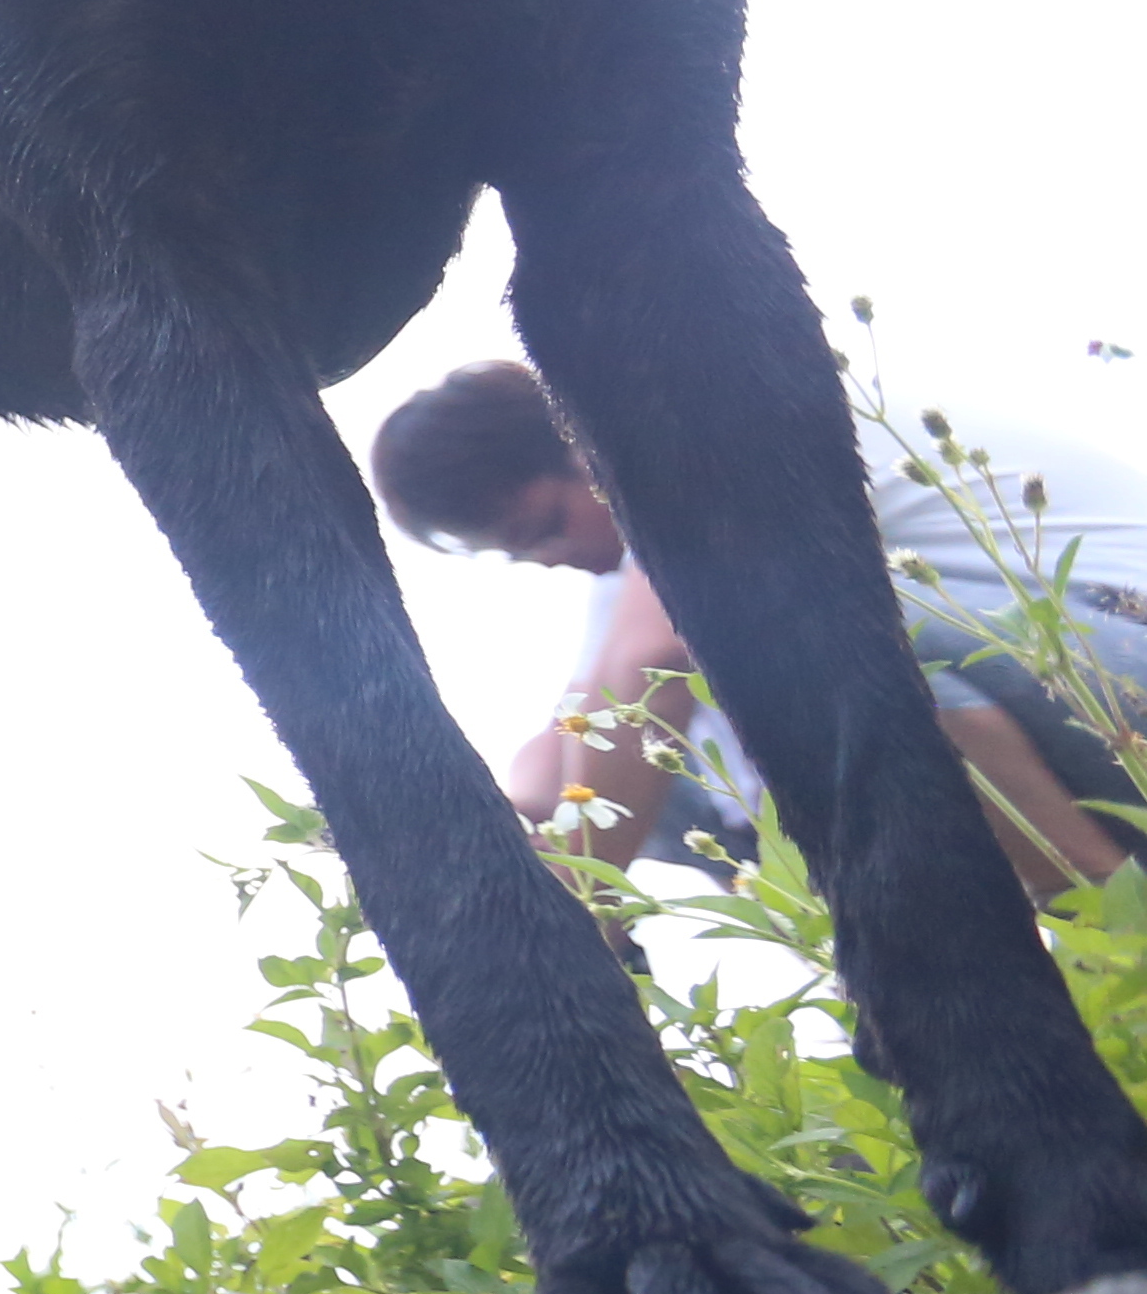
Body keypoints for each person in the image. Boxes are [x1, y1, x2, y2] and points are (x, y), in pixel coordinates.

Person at [367, 357, 1147, 895]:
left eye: (545, 526)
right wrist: (513, 828)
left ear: (585, 451)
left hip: (1113, 651)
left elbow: (651, 665)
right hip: (1062, 716)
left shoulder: (711, 450)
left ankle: (1103, 925)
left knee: (815, 645)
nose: (552, 559)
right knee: (665, 787)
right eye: (520, 555)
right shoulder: (635, 576)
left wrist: (583, 907)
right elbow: (570, 743)